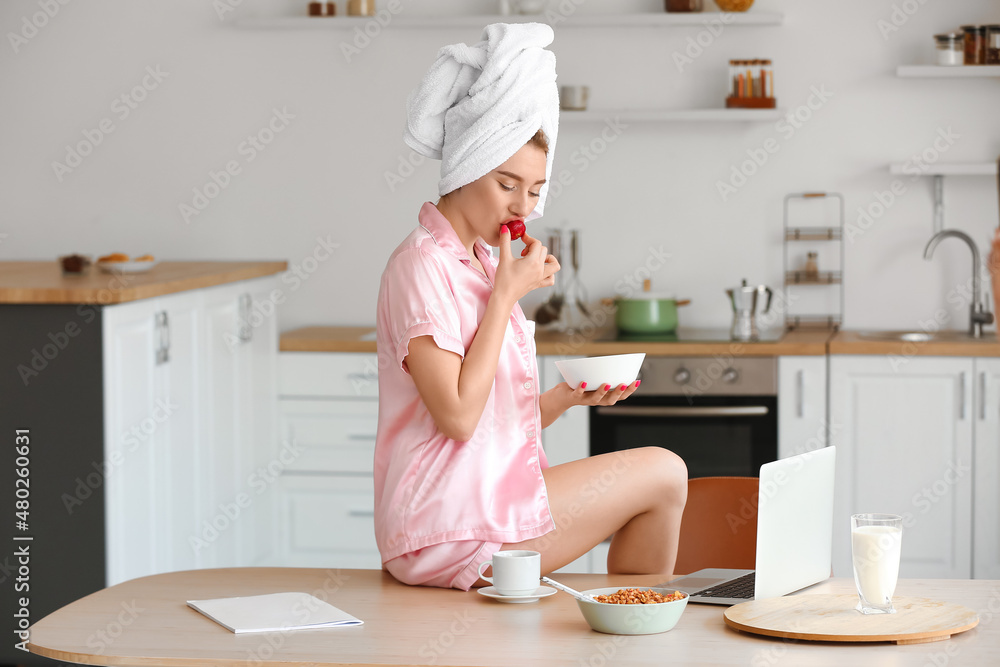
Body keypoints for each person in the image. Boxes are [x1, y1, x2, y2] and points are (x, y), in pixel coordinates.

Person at [373, 23, 687, 591]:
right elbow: (458, 418)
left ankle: (634, 620)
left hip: (476, 508)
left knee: (662, 475)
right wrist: (506, 298)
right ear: (467, 165)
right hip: (443, 528)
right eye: (507, 184)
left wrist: (566, 398)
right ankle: (636, 618)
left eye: (536, 190)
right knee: (664, 472)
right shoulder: (421, 265)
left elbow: (491, 420)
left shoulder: (480, 263)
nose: (523, 207)